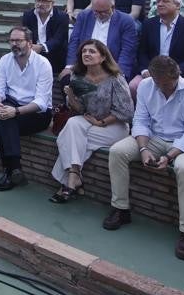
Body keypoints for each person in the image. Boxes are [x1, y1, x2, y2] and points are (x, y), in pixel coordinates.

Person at [102, 56, 184, 260]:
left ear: (177, 76)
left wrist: (169, 156)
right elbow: (140, 120)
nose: (163, 87)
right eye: (159, 83)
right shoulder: (145, 86)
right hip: (155, 137)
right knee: (117, 151)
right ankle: (120, 209)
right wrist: (143, 149)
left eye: (168, 83)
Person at [49, 39, 133, 203]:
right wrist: (71, 96)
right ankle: (74, 176)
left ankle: (68, 182)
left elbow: (127, 111)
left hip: (114, 125)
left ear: (103, 57)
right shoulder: (77, 76)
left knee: (69, 139)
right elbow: (79, 109)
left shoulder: (115, 78)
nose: (86, 54)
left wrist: (101, 123)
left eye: (92, 51)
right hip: (88, 119)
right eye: (84, 51)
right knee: (72, 125)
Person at [0, 26, 53, 190]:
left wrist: (15, 111)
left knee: (1, 124)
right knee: (3, 120)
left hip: (38, 114)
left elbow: (41, 102)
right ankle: (14, 170)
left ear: (30, 43)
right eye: (11, 40)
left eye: (18, 40)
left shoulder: (43, 64)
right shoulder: (5, 60)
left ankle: (10, 170)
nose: (14, 44)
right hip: (13, 106)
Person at [130, 0, 184, 94]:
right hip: (151, 73)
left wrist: (176, 71)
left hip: (179, 74)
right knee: (133, 86)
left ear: (177, 5)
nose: (160, 4)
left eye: (165, 1)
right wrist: (145, 70)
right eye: (158, 1)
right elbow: (142, 52)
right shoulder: (149, 25)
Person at [64, 0, 139, 80]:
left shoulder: (126, 21)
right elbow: (74, 41)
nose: (99, 15)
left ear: (113, 7)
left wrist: (120, 73)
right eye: (96, 11)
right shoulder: (84, 16)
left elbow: (127, 50)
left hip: (111, 67)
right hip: (85, 65)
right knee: (66, 79)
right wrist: (70, 65)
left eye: (103, 12)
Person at [24, 0, 69, 71]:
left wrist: (42, 47)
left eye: (45, 1)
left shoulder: (62, 17)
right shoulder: (28, 15)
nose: (40, 4)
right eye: (38, 0)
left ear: (53, 3)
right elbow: (26, 34)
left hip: (54, 54)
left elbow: (59, 39)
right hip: (33, 54)